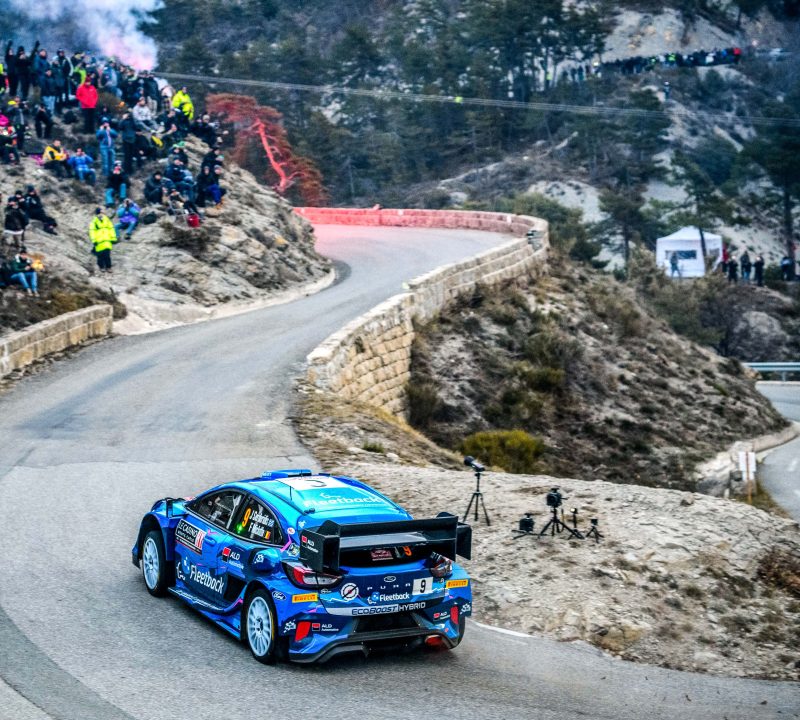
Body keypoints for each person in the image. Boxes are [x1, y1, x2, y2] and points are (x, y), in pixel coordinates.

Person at [89, 207, 117, 273]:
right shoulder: (94, 221)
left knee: (107, 255)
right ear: (99, 212)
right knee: (100, 255)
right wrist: (94, 240)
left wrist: (113, 238)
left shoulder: (107, 219)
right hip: (99, 241)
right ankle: (101, 267)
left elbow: (111, 229)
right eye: (102, 210)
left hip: (107, 240)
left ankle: (108, 267)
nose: (104, 211)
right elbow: (92, 231)